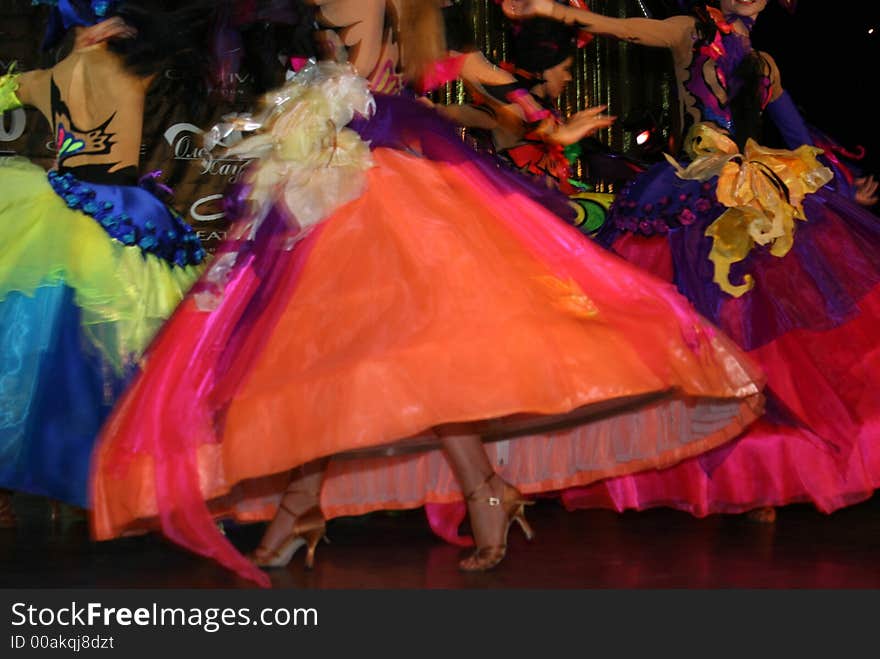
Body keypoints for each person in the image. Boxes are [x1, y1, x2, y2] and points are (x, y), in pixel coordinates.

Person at [89, 0, 764, 588]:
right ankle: (372, 496)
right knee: (323, 348)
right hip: (326, 175)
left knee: (387, 348)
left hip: (356, 184)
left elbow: (352, 77)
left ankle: (450, 491)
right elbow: (435, 70)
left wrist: (536, 119)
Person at [504, 0, 880, 521]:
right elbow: (620, 26)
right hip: (693, 195)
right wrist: (551, 8)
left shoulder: (763, 62)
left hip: (756, 201)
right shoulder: (689, 32)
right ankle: (705, 459)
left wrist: (836, 187)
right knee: (692, 332)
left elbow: (797, 136)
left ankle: (757, 476)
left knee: (753, 330)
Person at [0, 0, 208, 524]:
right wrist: (139, 31)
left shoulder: (48, 76)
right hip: (122, 212)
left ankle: (51, 478)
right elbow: (188, 43)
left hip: (59, 211)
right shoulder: (133, 66)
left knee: (55, 350)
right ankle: (119, 482)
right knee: (124, 353)